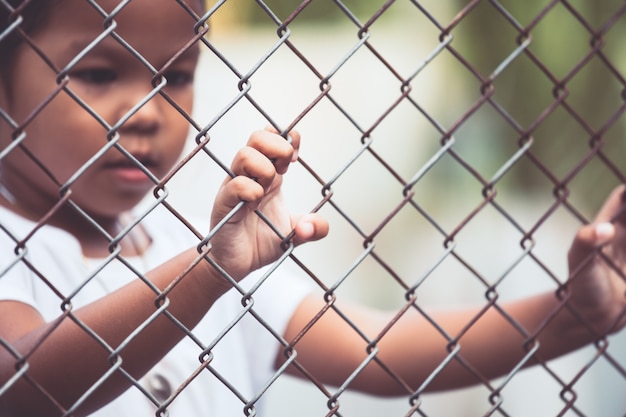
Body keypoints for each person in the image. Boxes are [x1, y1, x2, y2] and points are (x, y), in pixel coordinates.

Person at [0, 0, 624, 416]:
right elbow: (21, 383)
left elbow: (375, 352)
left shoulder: (182, 242)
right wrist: (204, 277)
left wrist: (568, 316)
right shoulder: (16, 245)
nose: (146, 114)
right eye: (99, 73)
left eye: (174, 76)